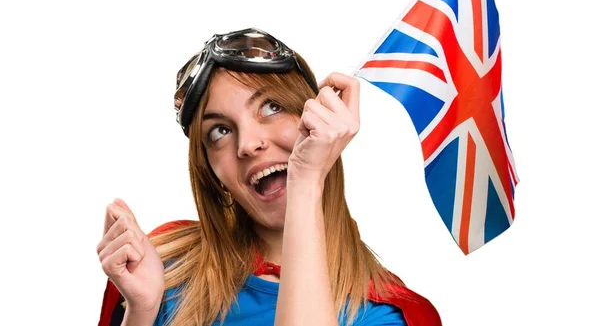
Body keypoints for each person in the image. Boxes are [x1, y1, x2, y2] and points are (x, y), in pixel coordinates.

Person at [97, 28, 442, 326]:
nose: (247, 144)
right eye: (219, 131)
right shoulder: (164, 267)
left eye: (271, 107)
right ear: (212, 173)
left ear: (315, 118)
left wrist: (306, 180)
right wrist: (141, 312)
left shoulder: (382, 314)